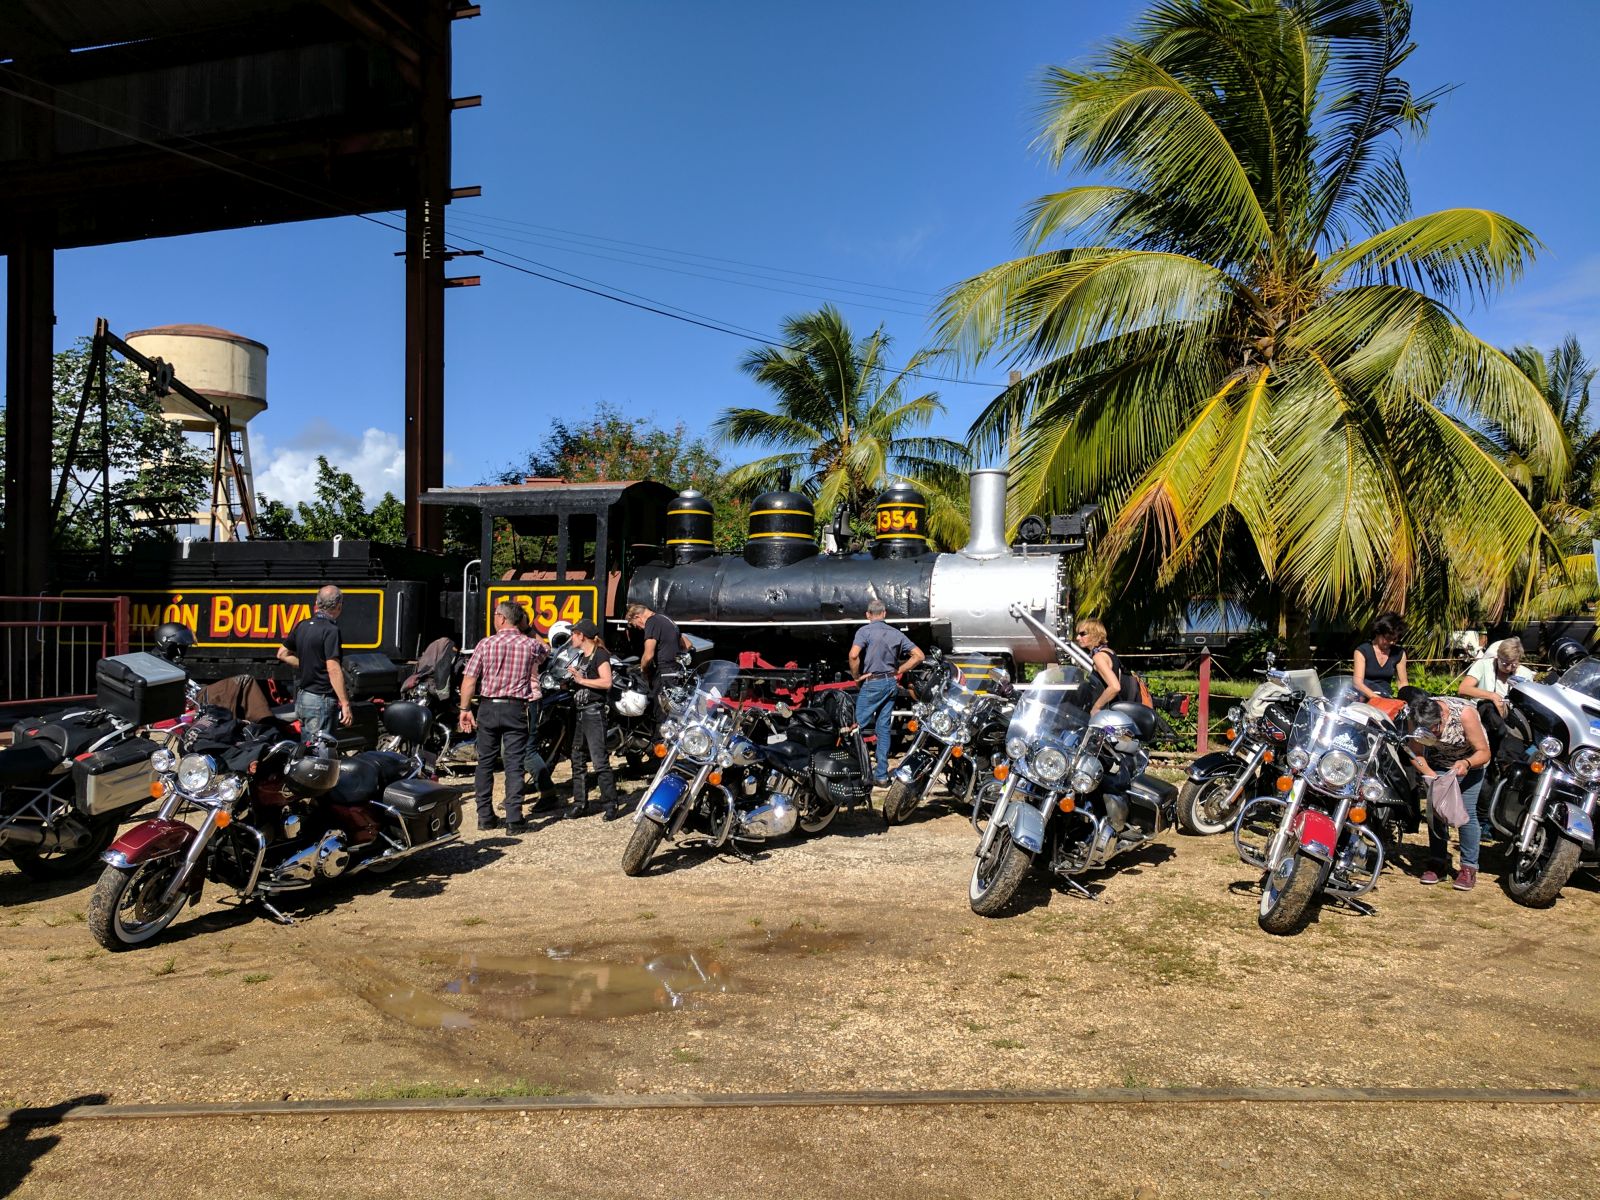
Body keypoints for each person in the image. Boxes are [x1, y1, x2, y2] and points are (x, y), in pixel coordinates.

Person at [457, 601, 548, 835]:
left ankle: (485, 817)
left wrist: (464, 708)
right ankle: (514, 819)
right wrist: (527, 629)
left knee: (485, 763)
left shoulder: (485, 644)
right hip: (516, 708)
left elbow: (470, 679)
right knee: (514, 764)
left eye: (495, 615)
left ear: (501, 618)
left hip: (488, 707)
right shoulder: (530, 645)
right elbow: (546, 650)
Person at [1409, 694, 1492, 891]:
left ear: (1442, 716)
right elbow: (1415, 752)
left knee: (1466, 813)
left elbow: (1484, 752)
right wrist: (1432, 776)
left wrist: (1466, 763)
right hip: (1438, 763)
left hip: (1470, 762)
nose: (1433, 735)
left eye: (1435, 729)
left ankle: (1468, 867)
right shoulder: (1415, 717)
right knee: (1437, 810)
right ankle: (1437, 862)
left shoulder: (1464, 714)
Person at [848, 600, 924, 786]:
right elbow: (919, 655)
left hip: (873, 682)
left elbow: (853, 655)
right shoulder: (896, 633)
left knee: (855, 726)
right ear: (884, 614)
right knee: (883, 728)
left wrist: (856, 676)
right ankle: (881, 775)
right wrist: (899, 670)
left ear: (868, 615)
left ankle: (854, 772)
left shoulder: (864, 631)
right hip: (890, 683)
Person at [276, 585, 353, 742]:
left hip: (303, 698)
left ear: (316, 603)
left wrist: (308, 664)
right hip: (321, 699)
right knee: (320, 751)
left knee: (307, 748)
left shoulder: (302, 625)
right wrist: (345, 703)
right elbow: (333, 669)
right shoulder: (331, 630)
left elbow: (282, 654)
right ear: (339, 606)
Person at [565, 618, 622, 821]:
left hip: (594, 712)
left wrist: (582, 680)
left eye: (573, 634)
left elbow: (606, 682)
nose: (571, 638)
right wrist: (572, 680)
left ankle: (611, 803)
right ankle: (580, 803)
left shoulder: (600, 654)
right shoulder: (582, 656)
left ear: (582, 636)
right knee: (577, 757)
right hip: (581, 711)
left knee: (599, 760)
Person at [627, 602, 691, 716]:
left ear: (637, 617)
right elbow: (688, 644)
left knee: (661, 714)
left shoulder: (651, 622)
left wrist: (643, 670)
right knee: (674, 714)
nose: (640, 629)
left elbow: (648, 655)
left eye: (636, 625)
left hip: (664, 676)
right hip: (676, 673)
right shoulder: (666, 619)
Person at [1073, 617, 1131, 713]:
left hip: (1107, 711)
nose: (1078, 638)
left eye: (1083, 634)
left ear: (1094, 634)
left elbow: (1115, 687)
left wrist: (1096, 707)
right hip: (1113, 710)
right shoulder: (1109, 652)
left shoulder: (1099, 657)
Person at [1353, 612, 1408, 701]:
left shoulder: (1399, 653)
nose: (1392, 642)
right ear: (1378, 633)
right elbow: (1357, 683)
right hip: (1364, 698)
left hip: (1386, 698)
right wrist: (1378, 699)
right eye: (1388, 638)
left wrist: (1405, 700)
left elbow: (1403, 683)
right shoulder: (1362, 651)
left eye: (1394, 639)